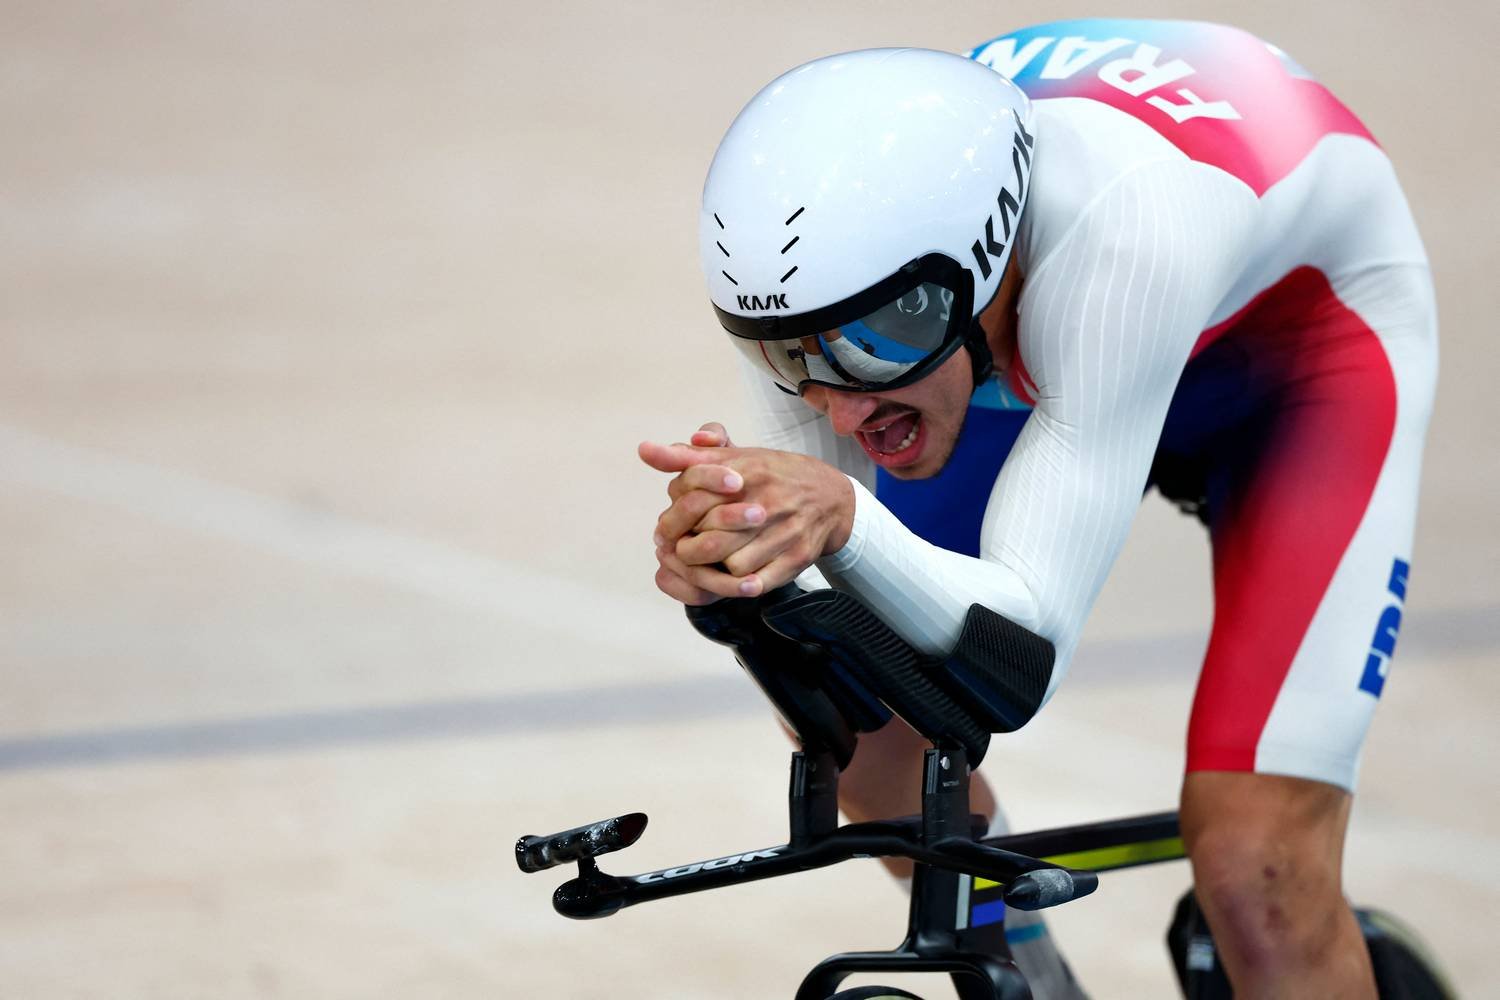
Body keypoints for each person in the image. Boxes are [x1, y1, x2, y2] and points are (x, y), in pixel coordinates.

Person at [640, 20, 1437, 999]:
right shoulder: (818, 289)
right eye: (785, 355)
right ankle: (1033, 973)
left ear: (985, 262)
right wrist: (733, 568)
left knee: (1257, 866)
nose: (838, 403)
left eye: (875, 342)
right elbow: (826, 632)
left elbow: (1015, 661)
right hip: (1023, 345)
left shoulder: (1126, 229)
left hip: (1299, 343)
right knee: (863, 737)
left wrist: (844, 510)